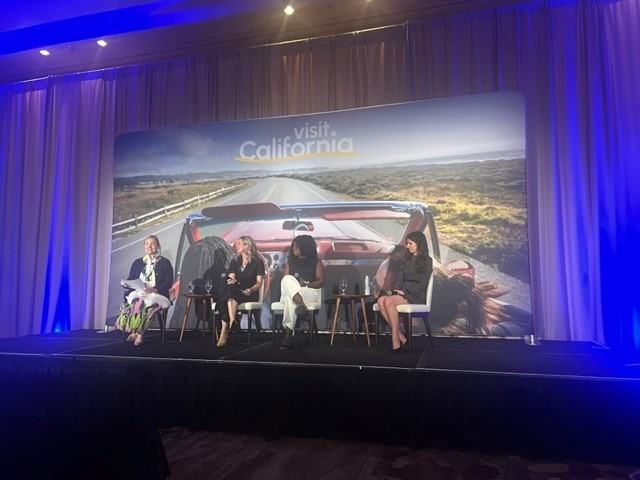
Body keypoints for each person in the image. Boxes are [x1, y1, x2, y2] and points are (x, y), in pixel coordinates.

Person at [376, 231, 433, 353]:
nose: (407, 246)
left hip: (415, 295)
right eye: (407, 243)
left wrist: (405, 292)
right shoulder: (406, 260)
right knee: (381, 300)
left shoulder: (427, 261)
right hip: (402, 292)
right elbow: (400, 279)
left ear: (419, 244)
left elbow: (423, 284)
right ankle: (401, 336)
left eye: (410, 243)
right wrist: (395, 290)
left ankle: (395, 338)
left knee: (389, 302)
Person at [115, 235, 173, 346]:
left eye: (152, 244)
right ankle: (134, 331)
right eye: (147, 244)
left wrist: (154, 289)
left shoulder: (165, 263)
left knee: (148, 303)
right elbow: (131, 279)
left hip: (157, 294)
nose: (149, 246)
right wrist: (125, 284)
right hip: (139, 292)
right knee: (136, 301)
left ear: (158, 246)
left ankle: (140, 333)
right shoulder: (138, 263)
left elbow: (168, 283)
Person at [216, 236, 265, 347]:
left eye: (239, 244)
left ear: (246, 245)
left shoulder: (258, 262)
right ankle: (232, 322)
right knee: (230, 290)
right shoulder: (235, 261)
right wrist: (231, 280)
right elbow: (231, 278)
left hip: (249, 293)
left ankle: (225, 330)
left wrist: (250, 289)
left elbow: (258, 283)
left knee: (224, 297)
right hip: (236, 290)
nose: (235, 246)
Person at [278, 234, 325, 350]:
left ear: (305, 247)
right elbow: (284, 281)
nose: (293, 248)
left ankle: (288, 334)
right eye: (293, 246)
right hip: (293, 292)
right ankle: (301, 305)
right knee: (287, 279)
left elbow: (321, 282)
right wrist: (295, 285)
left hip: (308, 291)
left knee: (291, 298)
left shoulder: (316, 262)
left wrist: (306, 284)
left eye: (296, 246)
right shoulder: (290, 262)